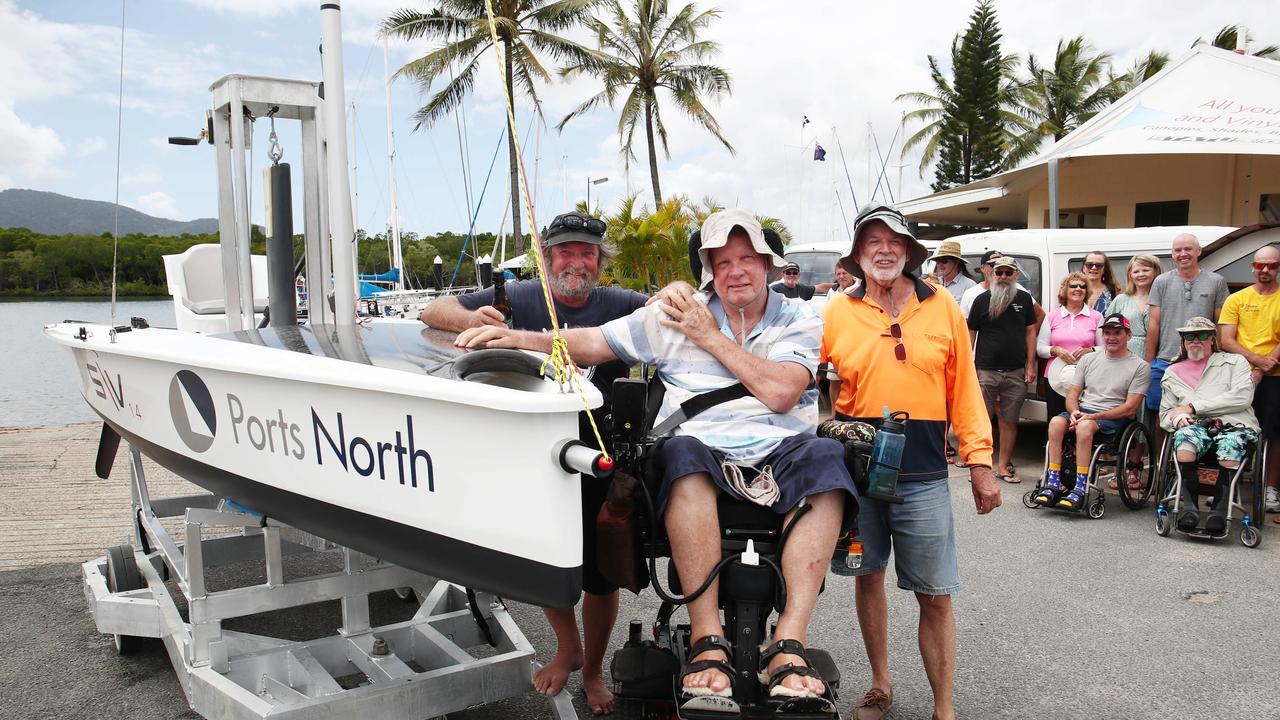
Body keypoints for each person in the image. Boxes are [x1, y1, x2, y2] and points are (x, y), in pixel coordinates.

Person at [457, 209, 859, 713]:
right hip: (701, 452)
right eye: (723, 261)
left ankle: (788, 643)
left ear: (769, 264)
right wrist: (525, 339)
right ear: (709, 268)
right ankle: (706, 640)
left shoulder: (800, 316)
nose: (736, 271)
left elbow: (782, 391)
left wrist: (707, 334)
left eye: (747, 259)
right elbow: (594, 341)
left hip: (784, 449)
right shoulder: (670, 312)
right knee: (681, 453)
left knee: (829, 456)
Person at [420, 211, 647, 715]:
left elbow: (673, 315)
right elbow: (433, 310)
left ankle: (592, 671)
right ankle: (568, 648)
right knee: (547, 555)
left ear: (600, 260)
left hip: (604, 451)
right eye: (565, 251)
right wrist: (470, 319)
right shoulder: (519, 297)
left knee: (601, 572)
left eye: (586, 252)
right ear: (546, 260)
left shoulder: (622, 304)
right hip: (533, 454)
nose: (576, 261)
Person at [820, 204, 998, 720]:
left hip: (923, 472)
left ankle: (944, 708)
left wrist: (980, 461)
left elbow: (964, 388)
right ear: (857, 255)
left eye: (893, 241)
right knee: (866, 574)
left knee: (936, 594)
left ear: (910, 251)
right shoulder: (835, 312)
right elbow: (800, 375)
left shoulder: (942, 306)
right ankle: (880, 684)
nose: (883, 250)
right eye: (872, 242)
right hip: (858, 468)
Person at [1033, 313, 1149, 509]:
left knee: (1085, 427)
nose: (1111, 337)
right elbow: (1073, 394)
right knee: (1055, 422)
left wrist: (1093, 416)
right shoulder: (1089, 360)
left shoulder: (1140, 366)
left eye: (1117, 333)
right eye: (1107, 333)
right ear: (1102, 335)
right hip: (1084, 411)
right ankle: (1052, 482)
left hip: (1114, 417)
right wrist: (1073, 411)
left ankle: (1080, 487)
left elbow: (1131, 407)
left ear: (1128, 335)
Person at [1158, 317, 1260, 533]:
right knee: (1185, 440)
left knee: (1231, 445)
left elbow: (1242, 398)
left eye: (1203, 335)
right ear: (1183, 341)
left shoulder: (1235, 362)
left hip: (1234, 426)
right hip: (1195, 430)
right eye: (1190, 336)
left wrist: (1193, 407)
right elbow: (1166, 413)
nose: (1196, 340)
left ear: (1213, 339)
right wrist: (1177, 418)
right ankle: (1190, 508)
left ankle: (1219, 511)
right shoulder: (1172, 372)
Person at [1217, 245, 1280, 517]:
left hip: (1275, 375)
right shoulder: (1237, 299)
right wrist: (1255, 362)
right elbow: (1226, 340)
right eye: (1260, 265)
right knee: (1233, 429)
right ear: (1253, 266)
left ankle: (1271, 488)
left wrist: (1264, 367)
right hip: (1239, 374)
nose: (1265, 270)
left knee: (1274, 433)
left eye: (1272, 265)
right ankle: (1227, 486)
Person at [967, 256, 1037, 483]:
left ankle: (1003, 467)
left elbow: (1030, 332)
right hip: (985, 370)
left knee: (1010, 420)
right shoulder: (981, 300)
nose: (1004, 277)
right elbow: (971, 333)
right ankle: (982, 467)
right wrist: (968, 364)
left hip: (1016, 370)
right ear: (991, 274)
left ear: (1016, 275)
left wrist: (1030, 364)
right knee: (982, 420)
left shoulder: (1025, 299)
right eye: (1000, 273)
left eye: (1009, 273)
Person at [1144, 233, 1229, 417]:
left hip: (1203, 363)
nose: (1183, 254)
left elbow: (1220, 326)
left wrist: (1219, 359)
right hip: (1165, 361)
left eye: (1188, 249)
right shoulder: (1161, 281)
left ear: (1199, 251)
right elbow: (1153, 323)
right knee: (1161, 415)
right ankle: (1160, 448)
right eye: (1178, 250)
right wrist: (1149, 362)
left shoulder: (1216, 281)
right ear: (1172, 254)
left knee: (1198, 415)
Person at [1037, 272, 1103, 420]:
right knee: (1056, 418)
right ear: (1064, 290)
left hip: (1087, 377)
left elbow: (1104, 348)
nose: (1078, 289)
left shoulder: (1096, 316)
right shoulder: (1052, 316)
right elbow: (1040, 348)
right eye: (1073, 285)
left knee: (1083, 418)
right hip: (1055, 377)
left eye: (1082, 286)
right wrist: (1054, 350)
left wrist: (1090, 350)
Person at [1105, 255, 1161, 365]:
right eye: (1136, 272)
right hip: (1124, 357)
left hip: (1158, 357)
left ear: (1155, 272)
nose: (1141, 274)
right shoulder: (1120, 300)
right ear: (1130, 275)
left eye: (1145, 270)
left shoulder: (1164, 299)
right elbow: (1106, 331)